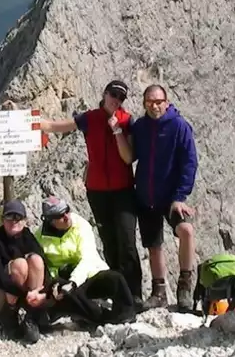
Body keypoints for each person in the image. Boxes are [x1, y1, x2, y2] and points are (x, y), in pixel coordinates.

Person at [36, 80, 143, 308]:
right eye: (113, 94)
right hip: (97, 192)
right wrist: (34, 123)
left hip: (123, 190)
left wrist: (116, 130)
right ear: (104, 94)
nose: (116, 100)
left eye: (121, 97)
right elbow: (58, 126)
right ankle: (117, 291)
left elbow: (127, 157)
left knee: (127, 242)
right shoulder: (90, 118)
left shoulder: (126, 121)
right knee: (109, 242)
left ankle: (135, 295)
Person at [116, 84, 198, 312]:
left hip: (172, 197)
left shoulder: (179, 126)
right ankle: (159, 292)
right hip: (146, 195)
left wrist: (180, 196)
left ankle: (184, 287)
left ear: (167, 102)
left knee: (186, 231)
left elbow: (189, 162)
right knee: (154, 246)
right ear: (144, 104)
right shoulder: (141, 127)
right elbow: (131, 156)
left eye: (159, 101)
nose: (155, 106)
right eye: (150, 102)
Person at [34, 196, 137, 325]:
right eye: (60, 215)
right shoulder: (39, 238)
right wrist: (54, 284)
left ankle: (126, 312)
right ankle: (99, 317)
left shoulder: (81, 225)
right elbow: (44, 267)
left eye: (67, 211)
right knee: (68, 293)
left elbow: (87, 258)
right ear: (50, 220)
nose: (67, 217)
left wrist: (73, 282)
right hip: (62, 280)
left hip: (88, 275)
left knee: (116, 278)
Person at [0, 199, 51, 343]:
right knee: (20, 265)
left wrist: (43, 292)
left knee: (36, 260)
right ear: (2, 220)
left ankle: (32, 315)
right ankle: (9, 316)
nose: (14, 221)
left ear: (25, 220)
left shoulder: (27, 236)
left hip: (20, 293)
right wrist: (24, 293)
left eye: (18, 217)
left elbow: (43, 263)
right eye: (9, 217)